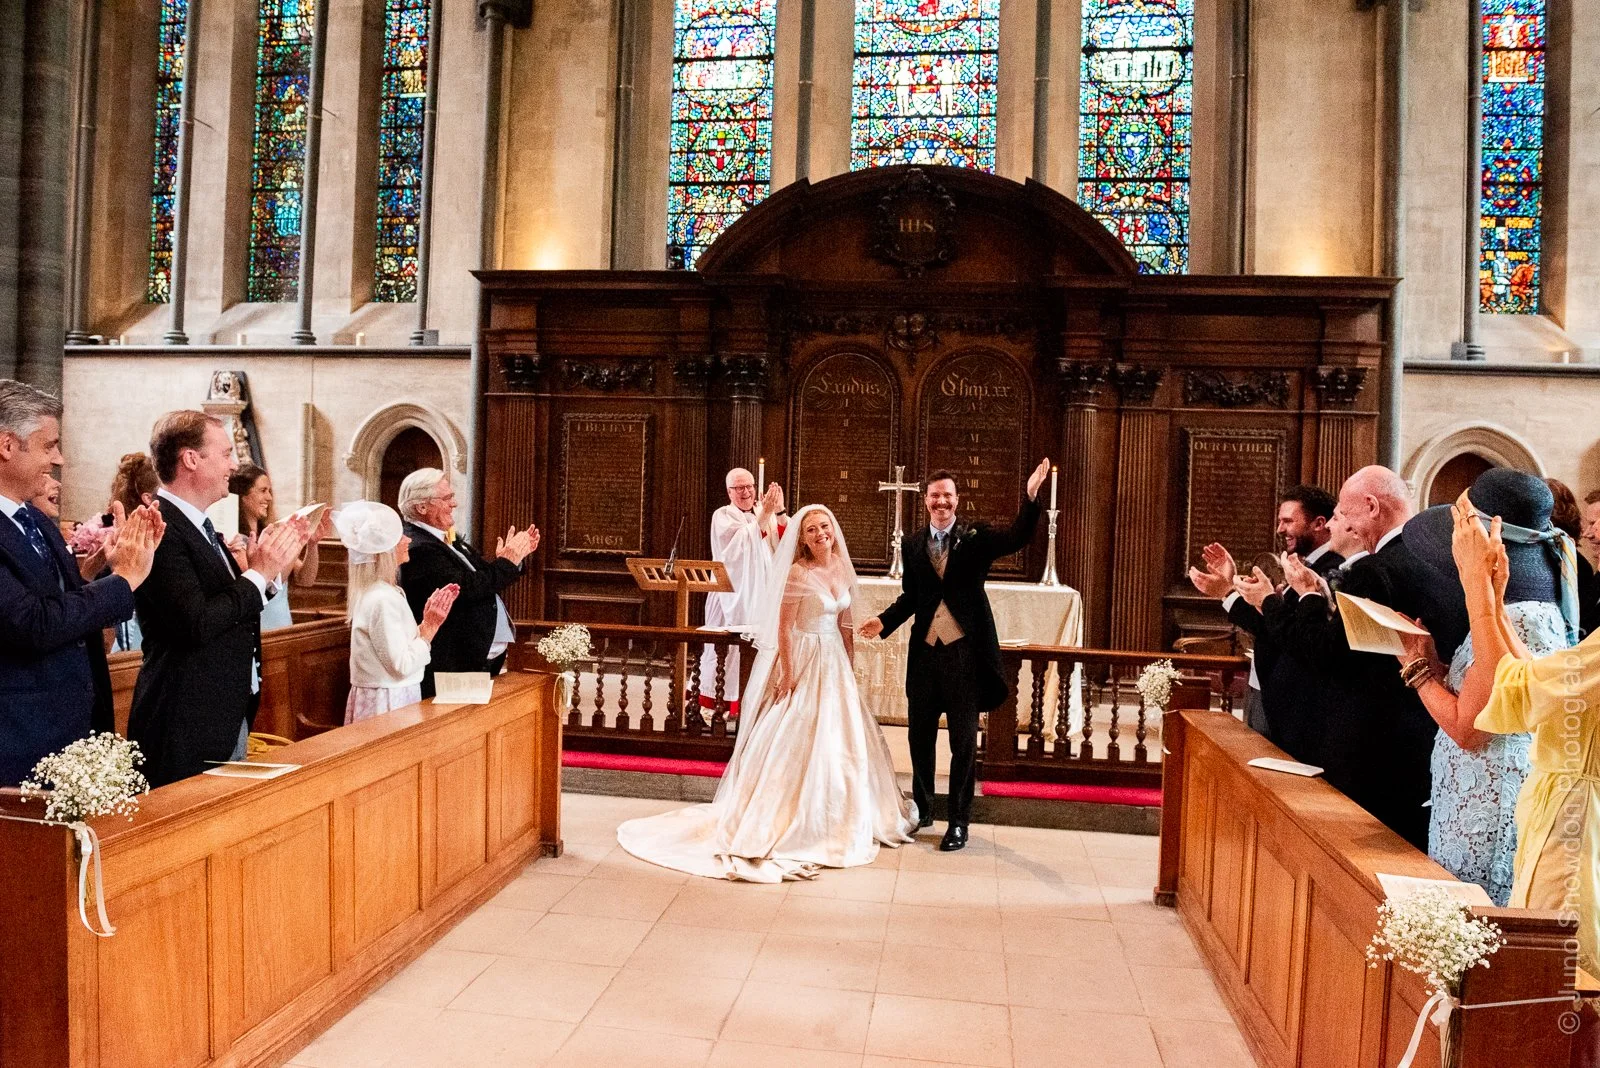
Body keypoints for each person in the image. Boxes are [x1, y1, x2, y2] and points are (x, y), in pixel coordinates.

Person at [617, 504, 916, 880]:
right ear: (802, 539)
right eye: (812, 530)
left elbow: (844, 622)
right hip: (805, 655)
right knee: (796, 730)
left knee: (842, 739)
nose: (821, 533)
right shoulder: (797, 573)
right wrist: (788, 674)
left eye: (825, 527)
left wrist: (851, 668)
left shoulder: (841, 566)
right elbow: (784, 630)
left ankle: (844, 814)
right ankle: (786, 819)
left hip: (834, 662)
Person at [1237, 466, 1463, 850]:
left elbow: (1328, 655)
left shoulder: (1377, 571)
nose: (1340, 524)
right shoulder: (1438, 561)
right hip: (1424, 734)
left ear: (1372, 507)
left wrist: (1305, 597)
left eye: (1344, 512)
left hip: (1372, 742)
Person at [1393, 470, 1577, 904]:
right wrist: (1437, 664)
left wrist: (1416, 670)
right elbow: (1482, 690)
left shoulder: (1517, 618)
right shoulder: (1509, 607)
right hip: (1473, 789)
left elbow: (1470, 729)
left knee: (1473, 924)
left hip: (1487, 802)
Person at [859, 459, 1050, 852]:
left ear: (957, 500)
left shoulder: (976, 537)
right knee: (919, 738)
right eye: (934, 496)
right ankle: (924, 809)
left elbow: (1016, 537)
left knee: (963, 742)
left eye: (947, 495)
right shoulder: (913, 544)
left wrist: (1031, 496)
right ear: (925, 501)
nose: (940, 502)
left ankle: (959, 821)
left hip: (965, 657)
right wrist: (884, 621)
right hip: (925, 657)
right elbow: (912, 596)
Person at [1454, 501, 1598, 977]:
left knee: (1550, 973)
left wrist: (1475, 587)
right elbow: (1542, 688)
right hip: (1565, 804)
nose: (1592, 535)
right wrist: (1494, 602)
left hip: (1577, 824)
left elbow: (1513, 689)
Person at [128, 410, 306, 786]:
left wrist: (270, 572)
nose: (234, 464)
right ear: (191, 459)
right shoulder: (161, 527)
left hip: (221, 711)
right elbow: (196, 622)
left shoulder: (200, 525)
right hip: (184, 716)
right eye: (225, 454)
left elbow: (228, 602)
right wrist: (258, 574)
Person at [0, 380, 163, 785]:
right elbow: (31, 622)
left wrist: (115, 565)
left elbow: (69, 609)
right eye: (48, 445)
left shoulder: (35, 520)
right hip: (17, 741)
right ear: (6, 446)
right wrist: (122, 580)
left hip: (70, 736)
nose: (58, 459)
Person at [1188, 484, 1341, 736]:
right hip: (1270, 689)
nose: (1281, 529)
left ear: (1319, 523)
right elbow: (1276, 625)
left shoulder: (1330, 569)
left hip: (1294, 701)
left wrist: (1233, 594)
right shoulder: (1304, 565)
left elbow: (1290, 635)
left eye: (1288, 521)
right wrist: (1236, 589)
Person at [396, 468, 538, 698]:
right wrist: (507, 561)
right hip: (452, 663)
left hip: (470, 661)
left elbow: (483, 574)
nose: (454, 504)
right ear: (422, 507)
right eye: (446, 498)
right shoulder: (420, 548)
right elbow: (467, 588)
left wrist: (513, 558)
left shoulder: (442, 538)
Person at [335, 501, 459, 723]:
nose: (408, 540)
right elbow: (401, 665)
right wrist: (429, 629)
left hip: (390, 696)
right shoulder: (382, 599)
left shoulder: (383, 592)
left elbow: (397, 647)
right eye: (401, 537)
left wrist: (428, 623)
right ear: (386, 551)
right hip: (388, 703)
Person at [700, 467, 784, 716]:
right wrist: (766, 513)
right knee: (725, 653)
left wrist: (777, 511)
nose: (746, 492)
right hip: (731, 594)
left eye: (749, 486)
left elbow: (781, 541)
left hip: (762, 594)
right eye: (739, 488)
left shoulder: (762, 511)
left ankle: (754, 704)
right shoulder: (723, 515)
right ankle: (716, 705)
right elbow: (738, 548)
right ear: (729, 492)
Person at [231, 463, 329, 631]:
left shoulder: (271, 534)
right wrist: (296, 537)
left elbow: (305, 579)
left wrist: (311, 544)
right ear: (243, 495)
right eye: (263, 491)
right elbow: (269, 582)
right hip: (259, 628)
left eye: (270, 491)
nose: (269, 498)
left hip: (282, 626)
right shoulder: (234, 540)